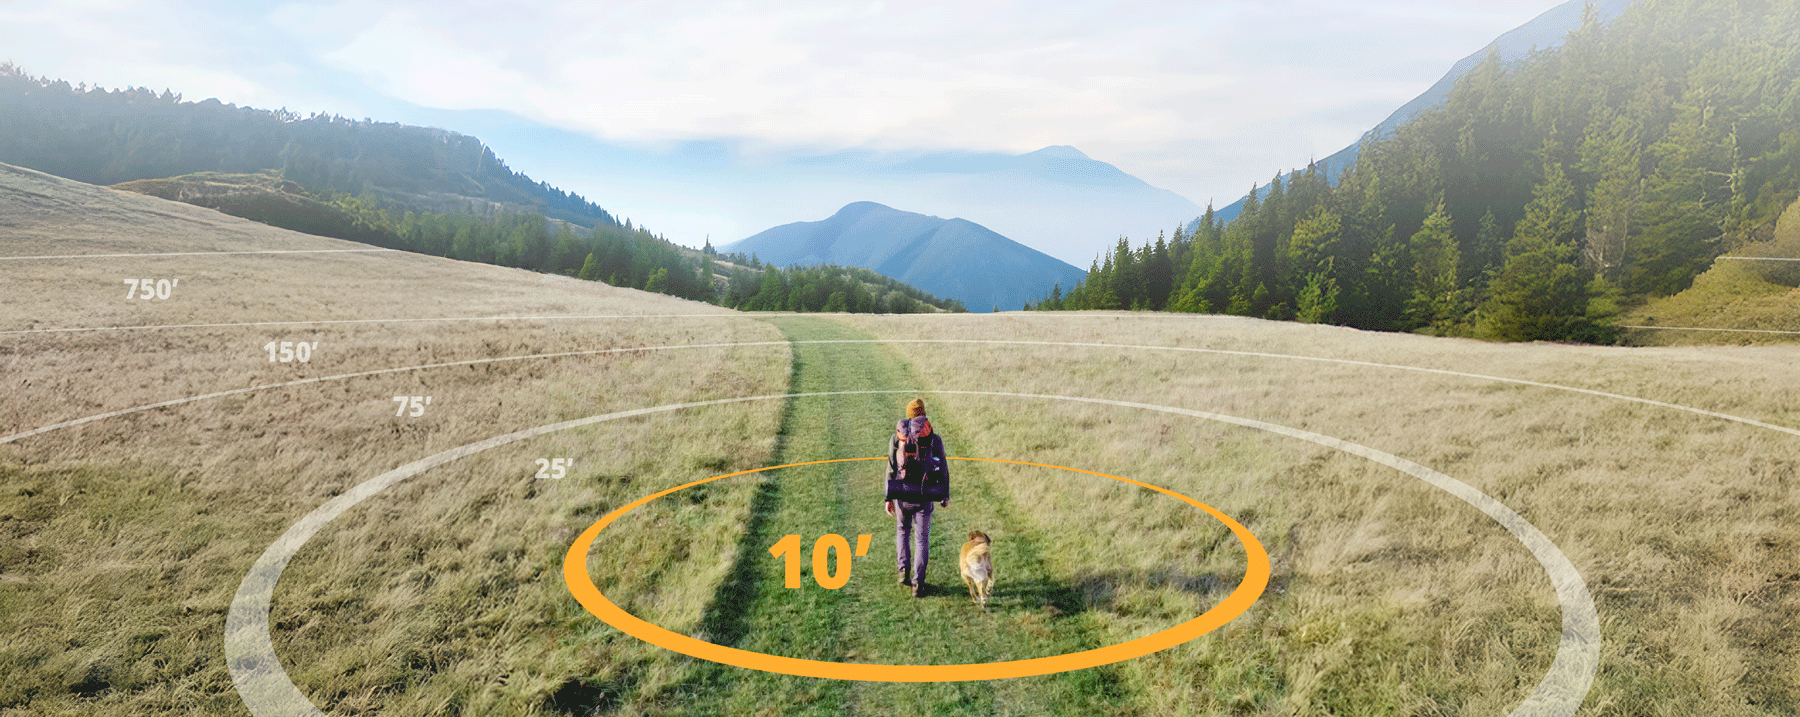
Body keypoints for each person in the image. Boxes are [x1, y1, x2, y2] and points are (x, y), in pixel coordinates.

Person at [885, 398, 949, 597]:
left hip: (901, 495)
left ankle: (903, 570)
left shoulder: (897, 438)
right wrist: (944, 494)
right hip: (924, 495)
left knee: (902, 531)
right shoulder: (933, 438)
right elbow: (943, 469)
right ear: (923, 415)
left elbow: (891, 467)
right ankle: (918, 584)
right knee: (922, 540)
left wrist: (888, 497)